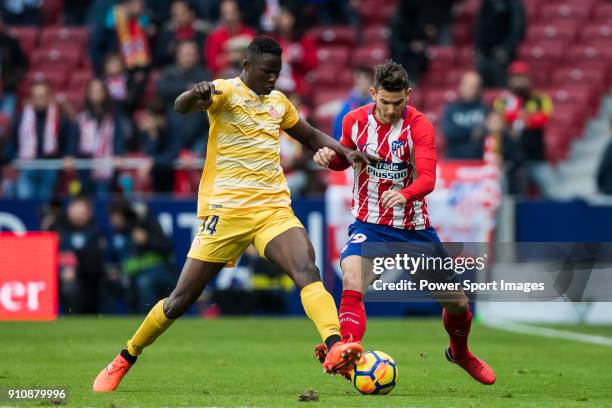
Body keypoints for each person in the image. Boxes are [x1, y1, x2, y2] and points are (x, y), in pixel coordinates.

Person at [92, 37, 372, 393]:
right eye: (267, 72)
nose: (273, 79)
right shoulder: (224, 91)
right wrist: (196, 93)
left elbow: (311, 135)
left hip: (271, 208)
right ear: (246, 66)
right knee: (180, 300)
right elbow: (180, 106)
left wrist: (346, 153)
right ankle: (126, 356)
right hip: (225, 213)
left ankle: (334, 347)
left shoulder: (278, 103)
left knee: (307, 267)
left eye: (277, 73)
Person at [312, 61, 496, 385]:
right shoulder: (354, 121)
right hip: (369, 224)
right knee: (352, 278)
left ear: (408, 96)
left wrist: (405, 194)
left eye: (398, 103)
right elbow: (345, 157)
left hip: (413, 228)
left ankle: (460, 353)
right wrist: (330, 157)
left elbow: (428, 178)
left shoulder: (420, 126)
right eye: (384, 102)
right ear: (373, 94)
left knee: (457, 303)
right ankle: (347, 351)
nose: (391, 109)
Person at [493, 61, 554, 197]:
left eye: (522, 77)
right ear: (510, 80)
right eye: (516, 78)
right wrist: (525, 117)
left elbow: (543, 119)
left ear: (529, 79)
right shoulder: (502, 100)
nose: (519, 82)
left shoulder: (541, 99)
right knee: (514, 199)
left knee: (553, 193)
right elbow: (498, 122)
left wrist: (514, 119)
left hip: (537, 157)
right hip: (511, 160)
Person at [6, 81, 75, 200]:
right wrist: (10, 159)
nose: (39, 100)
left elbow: (69, 141)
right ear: (31, 98)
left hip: (50, 165)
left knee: (45, 199)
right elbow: (13, 142)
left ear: (49, 97)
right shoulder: (21, 118)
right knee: (25, 197)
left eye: (42, 96)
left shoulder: (60, 118)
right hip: (27, 165)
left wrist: (68, 155)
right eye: (36, 97)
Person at [107, 199, 175, 313]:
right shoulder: (117, 236)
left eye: (118, 216)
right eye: (112, 217)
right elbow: (114, 261)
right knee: (111, 282)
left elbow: (168, 246)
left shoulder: (147, 226)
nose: (115, 220)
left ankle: (147, 319)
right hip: (132, 274)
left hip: (159, 271)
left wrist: (147, 240)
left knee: (143, 282)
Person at [73, 78, 126, 195]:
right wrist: (70, 155)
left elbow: (118, 138)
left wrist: (119, 154)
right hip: (85, 165)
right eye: (92, 91)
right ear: (88, 94)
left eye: (99, 91)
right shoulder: (81, 117)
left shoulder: (114, 116)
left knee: (102, 199)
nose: (96, 94)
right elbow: (75, 140)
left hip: (106, 166)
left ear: (104, 93)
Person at [475, 0, 525, 87]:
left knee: (502, 88)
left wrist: (506, 49)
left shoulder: (512, 3)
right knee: (484, 88)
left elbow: (517, 28)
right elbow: (480, 26)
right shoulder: (487, 2)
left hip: (502, 57)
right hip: (484, 55)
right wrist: (478, 48)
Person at [441, 71, 487, 159]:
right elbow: (449, 131)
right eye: (468, 85)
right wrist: (473, 132)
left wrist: (462, 132)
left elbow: (489, 130)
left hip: (479, 161)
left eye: (475, 86)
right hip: (455, 160)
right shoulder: (450, 109)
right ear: (461, 86)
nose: (471, 89)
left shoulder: (485, 109)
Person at [204, 0, 256, 76]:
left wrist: (240, 57)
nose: (229, 17)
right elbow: (211, 65)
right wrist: (230, 58)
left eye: (232, 12)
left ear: (239, 13)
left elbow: (256, 60)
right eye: (225, 14)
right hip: (223, 81)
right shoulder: (214, 37)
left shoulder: (250, 34)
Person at [154, 0, 208, 66]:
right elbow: (157, 60)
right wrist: (168, 51)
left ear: (191, 14)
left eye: (182, 13)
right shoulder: (166, 34)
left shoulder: (201, 35)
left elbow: (205, 59)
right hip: (172, 72)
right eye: (175, 15)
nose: (178, 18)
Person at [333, 66, 374, 140]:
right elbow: (339, 124)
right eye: (358, 79)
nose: (361, 83)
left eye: (364, 79)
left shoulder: (377, 101)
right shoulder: (350, 101)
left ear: (370, 81)